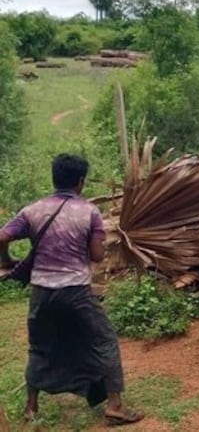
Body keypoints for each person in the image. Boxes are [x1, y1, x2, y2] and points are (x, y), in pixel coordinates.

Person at [0, 154, 142, 426]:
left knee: (39, 347)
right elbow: (97, 256)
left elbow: (2, 236)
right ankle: (115, 406)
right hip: (76, 292)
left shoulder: (33, 210)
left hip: (41, 292)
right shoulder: (89, 212)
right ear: (80, 182)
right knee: (105, 341)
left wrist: (5, 260)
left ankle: (31, 408)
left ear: (54, 179)